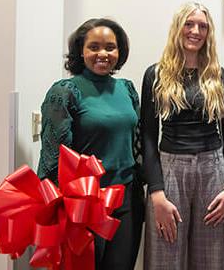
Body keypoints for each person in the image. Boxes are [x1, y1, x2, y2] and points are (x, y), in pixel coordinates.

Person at [37, 18, 144, 270]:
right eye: (94, 47)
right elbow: (53, 158)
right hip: (84, 203)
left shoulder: (127, 89)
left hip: (126, 199)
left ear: (120, 51)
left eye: (110, 47)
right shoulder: (65, 91)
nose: (103, 54)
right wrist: (58, 211)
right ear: (80, 51)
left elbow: (136, 143)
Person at [141, 2, 224, 270]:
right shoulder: (156, 74)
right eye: (189, 24)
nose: (196, 31)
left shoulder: (217, 75)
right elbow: (148, 136)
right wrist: (156, 193)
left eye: (203, 26)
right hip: (170, 169)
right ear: (178, 27)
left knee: (211, 258)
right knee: (164, 256)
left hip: (212, 169)